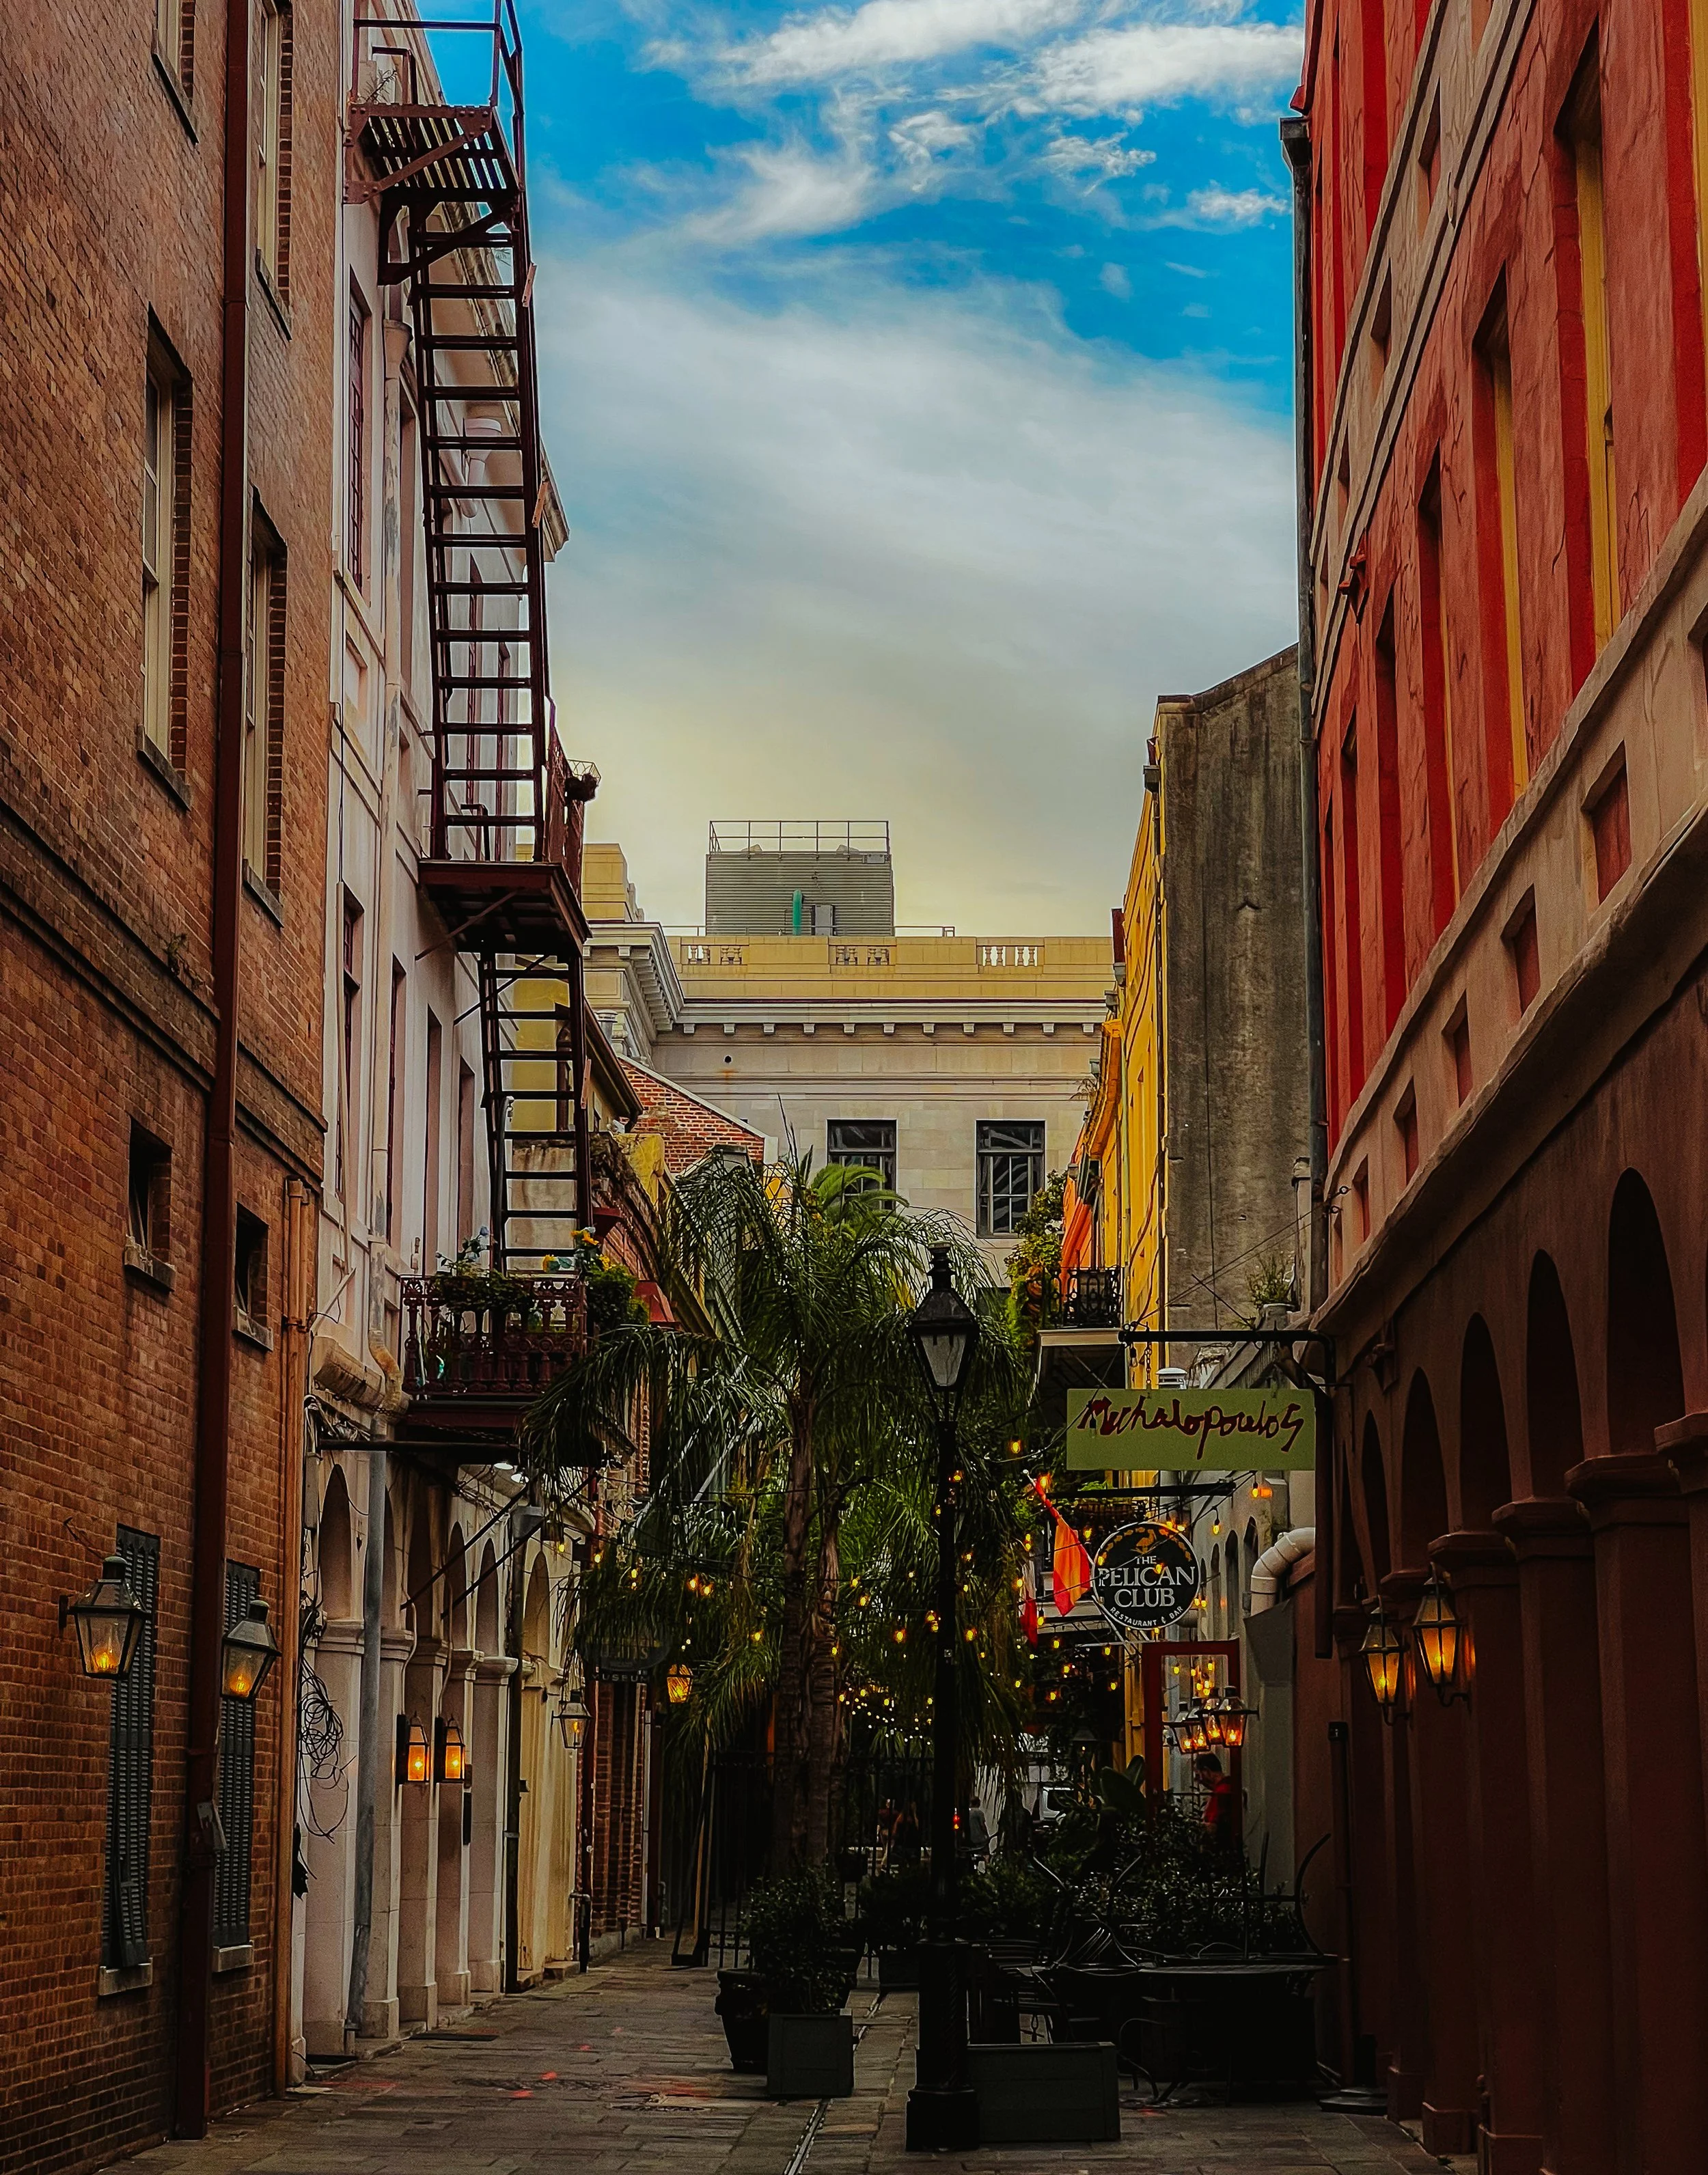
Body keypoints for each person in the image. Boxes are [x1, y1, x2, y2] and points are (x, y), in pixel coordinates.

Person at [1195, 1751, 1237, 1847]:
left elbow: (1214, 1828)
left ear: (1207, 1771)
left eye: (1199, 1776)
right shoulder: (1225, 1788)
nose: (1200, 1782)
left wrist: (1193, 1827)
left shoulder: (1222, 1792)